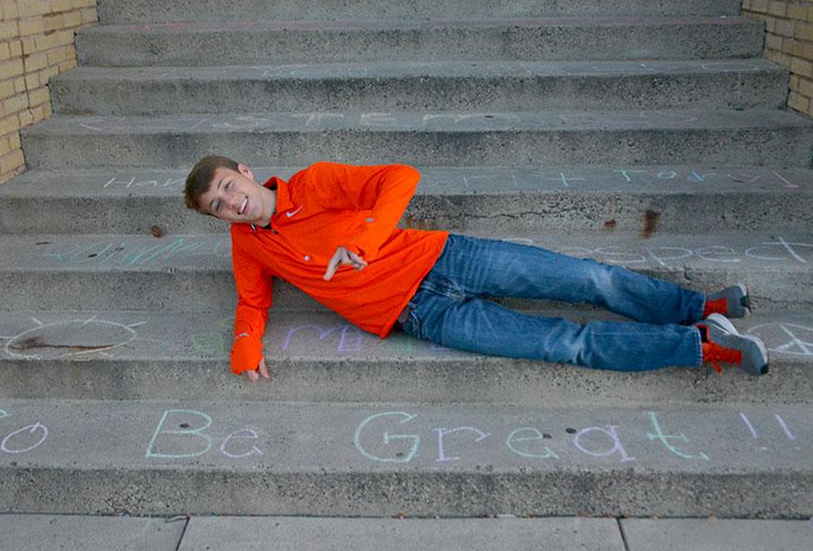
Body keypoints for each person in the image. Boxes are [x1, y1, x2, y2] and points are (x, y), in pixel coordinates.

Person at [183, 156, 769, 382]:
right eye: (218, 205)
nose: (232, 202)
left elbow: (400, 177)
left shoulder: (313, 183)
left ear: (245, 169)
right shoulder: (249, 247)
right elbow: (253, 301)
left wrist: (364, 238)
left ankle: (700, 308)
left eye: (229, 188)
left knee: (590, 280)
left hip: (448, 256)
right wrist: (244, 345)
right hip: (423, 316)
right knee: (565, 343)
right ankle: (701, 347)